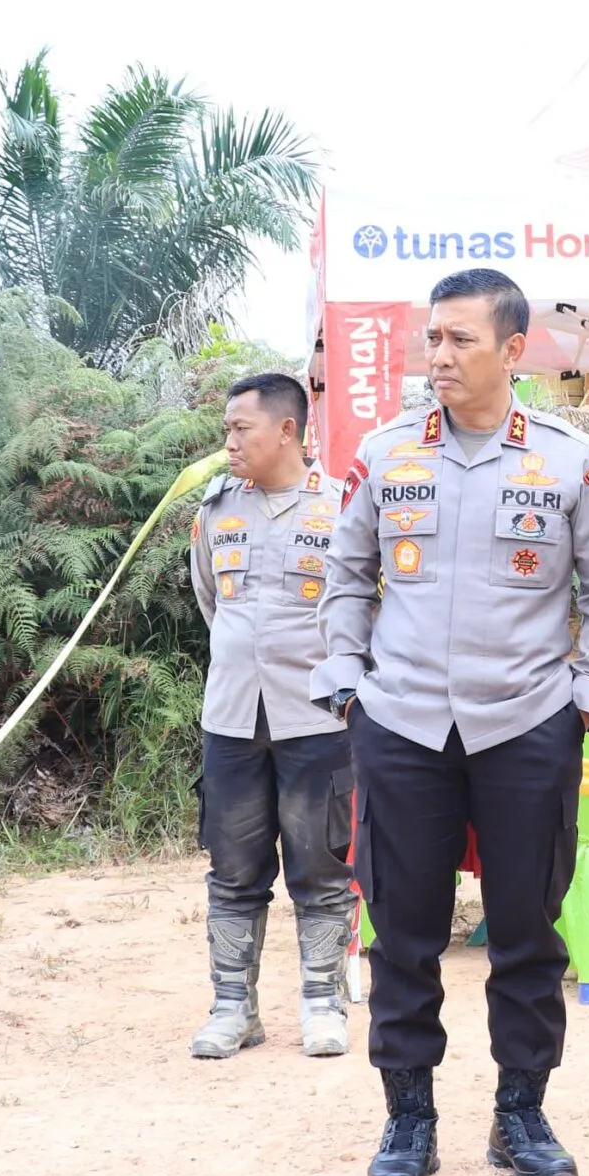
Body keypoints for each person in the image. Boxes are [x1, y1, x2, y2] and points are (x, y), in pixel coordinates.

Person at [312, 268, 589, 1176]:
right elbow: (347, 576)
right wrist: (348, 687)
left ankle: (521, 1113)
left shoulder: (572, 461)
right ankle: (408, 1118)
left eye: (461, 339)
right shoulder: (385, 455)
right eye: (434, 337)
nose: (441, 355)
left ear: (513, 350)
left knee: (528, 931)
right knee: (402, 931)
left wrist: (587, 703)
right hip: (402, 723)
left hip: (528, 724)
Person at [187, 371, 356, 1061]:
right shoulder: (215, 509)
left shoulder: (342, 508)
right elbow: (210, 598)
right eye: (227, 429)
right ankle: (234, 1008)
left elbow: (364, 609)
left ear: (287, 430)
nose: (229, 442)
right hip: (231, 716)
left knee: (320, 866)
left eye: (241, 428)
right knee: (233, 868)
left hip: (317, 717)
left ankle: (323, 1003)